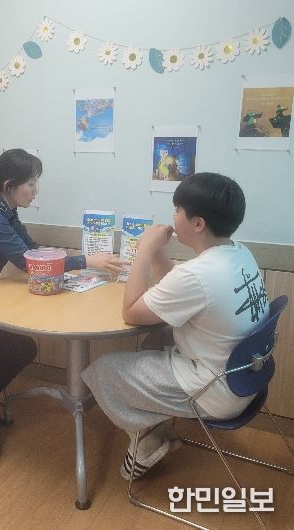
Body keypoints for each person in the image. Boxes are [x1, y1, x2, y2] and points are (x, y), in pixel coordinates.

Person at [0, 149, 125, 467]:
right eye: (31, 183)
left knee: (23, 348)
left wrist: (73, 267)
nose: (35, 190)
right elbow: (28, 263)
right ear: (9, 185)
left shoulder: (7, 212)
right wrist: (86, 260)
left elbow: (33, 251)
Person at [81, 172, 268, 481]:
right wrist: (158, 251)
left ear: (198, 224)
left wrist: (143, 250)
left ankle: (145, 440)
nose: (173, 216)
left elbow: (131, 312)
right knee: (156, 337)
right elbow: (176, 290)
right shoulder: (239, 253)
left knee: (102, 370)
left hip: (217, 390)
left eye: (177, 209)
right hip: (248, 376)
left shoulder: (198, 274)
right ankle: (152, 423)